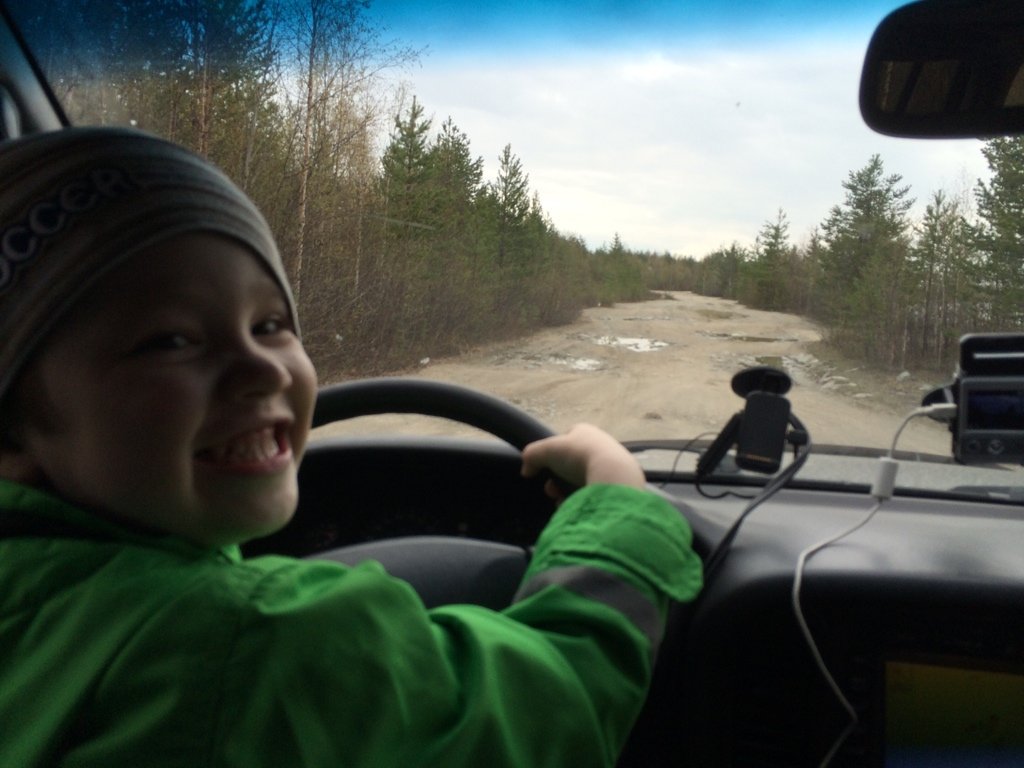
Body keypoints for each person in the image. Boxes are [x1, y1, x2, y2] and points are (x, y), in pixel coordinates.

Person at [0, 127, 702, 767]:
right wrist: (618, 505)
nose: (263, 369)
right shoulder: (249, 643)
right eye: (171, 340)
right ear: (11, 430)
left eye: (270, 324)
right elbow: (551, 706)